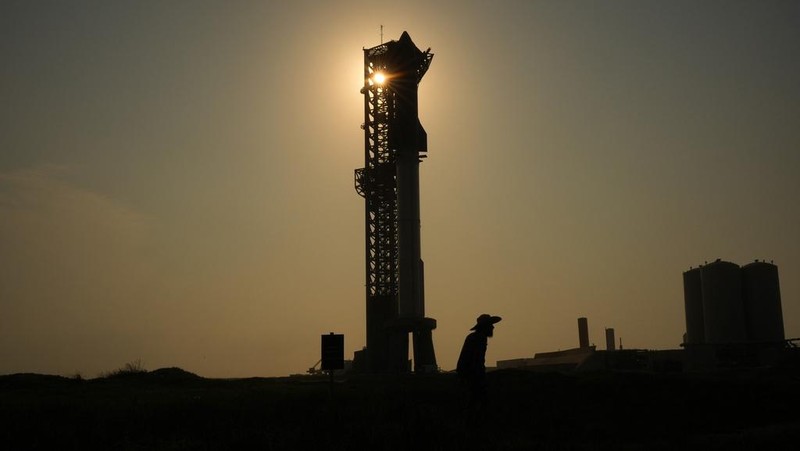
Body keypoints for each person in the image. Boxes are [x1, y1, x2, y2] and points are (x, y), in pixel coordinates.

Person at [456, 313, 501, 418]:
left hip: (469, 374)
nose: (493, 327)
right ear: (485, 327)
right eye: (490, 325)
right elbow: (476, 361)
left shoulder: (475, 337)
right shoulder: (479, 338)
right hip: (472, 376)